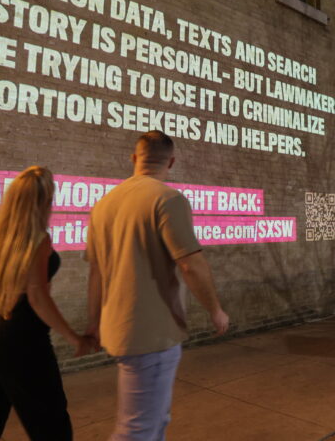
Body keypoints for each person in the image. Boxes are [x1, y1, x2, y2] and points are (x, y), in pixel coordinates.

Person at [85, 131, 230, 440]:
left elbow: (95, 274)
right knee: (137, 430)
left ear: (134, 158)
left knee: (154, 421)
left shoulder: (103, 205)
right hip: (152, 333)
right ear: (172, 161)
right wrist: (215, 310)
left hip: (118, 328)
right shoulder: (167, 199)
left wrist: (93, 324)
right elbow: (191, 264)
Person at [0, 166, 95, 441]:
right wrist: (74, 337)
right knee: (51, 424)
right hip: (21, 338)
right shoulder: (37, 239)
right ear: (43, 202)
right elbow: (38, 297)